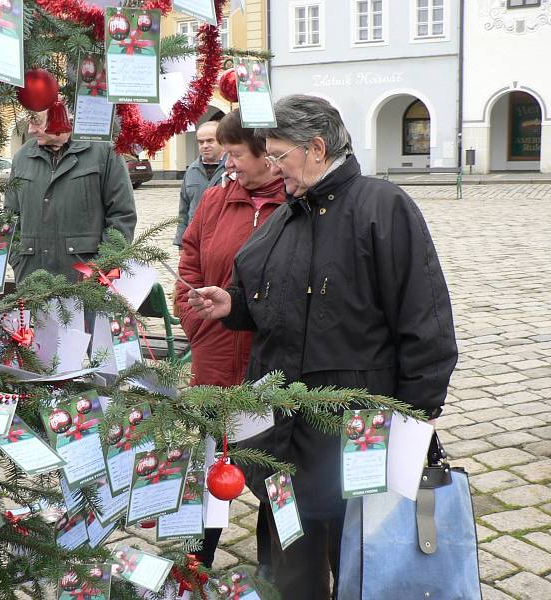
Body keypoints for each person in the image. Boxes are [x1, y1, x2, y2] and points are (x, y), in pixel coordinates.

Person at [187, 95, 457, 600]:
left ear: (315, 148)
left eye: (278, 154)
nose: (271, 165)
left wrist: (413, 422)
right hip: (285, 442)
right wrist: (235, 305)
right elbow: (270, 300)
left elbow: (428, 327)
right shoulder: (289, 216)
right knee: (294, 571)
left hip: (355, 435)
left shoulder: (382, 207)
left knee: (360, 564)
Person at [175, 109, 282, 572]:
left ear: (269, 156)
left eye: (237, 153)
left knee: (275, 463)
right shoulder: (218, 198)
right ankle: (200, 551)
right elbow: (191, 257)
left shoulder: (295, 203)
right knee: (211, 454)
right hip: (216, 351)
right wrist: (197, 323)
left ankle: (281, 564)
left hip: (273, 362)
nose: (229, 163)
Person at [4, 109, 136, 282]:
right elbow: (9, 218)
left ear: (61, 117)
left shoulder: (103, 151)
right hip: (33, 282)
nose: (30, 130)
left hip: (85, 282)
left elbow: (122, 215)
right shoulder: (22, 157)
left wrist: (101, 268)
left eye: (36, 121)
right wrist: (17, 261)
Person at [173, 120, 226, 248]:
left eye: (210, 141)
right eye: (201, 142)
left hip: (223, 239)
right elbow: (183, 210)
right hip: (195, 240)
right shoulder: (191, 170)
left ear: (222, 141)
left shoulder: (233, 168)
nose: (205, 145)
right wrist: (181, 243)